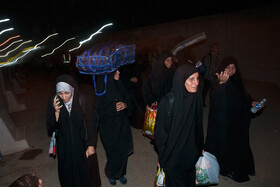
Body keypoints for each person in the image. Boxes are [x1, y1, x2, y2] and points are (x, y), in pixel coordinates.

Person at [204, 56, 258, 183]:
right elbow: (216, 100)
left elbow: (243, 96)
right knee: (226, 147)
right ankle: (226, 169)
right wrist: (222, 84)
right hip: (224, 123)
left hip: (237, 121)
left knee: (239, 145)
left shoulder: (237, 80)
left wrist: (252, 102)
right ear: (223, 68)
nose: (231, 70)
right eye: (228, 67)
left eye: (233, 67)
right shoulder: (218, 81)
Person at [154, 64, 204, 187]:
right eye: (191, 79)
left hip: (191, 154)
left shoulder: (196, 97)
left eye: (197, 78)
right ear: (181, 80)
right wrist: (162, 157)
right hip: (173, 157)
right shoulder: (167, 102)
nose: (196, 83)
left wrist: (201, 146)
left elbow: (198, 124)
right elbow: (160, 134)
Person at [46, 74, 101, 187]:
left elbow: (91, 124)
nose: (64, 97)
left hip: (82, 144)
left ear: (73, 90)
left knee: (86, 174)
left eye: (67, 93)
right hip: (65, 147)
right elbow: (51, 127)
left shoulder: (82, 100)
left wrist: (91, 145)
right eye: (60, 93)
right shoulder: (55, 102)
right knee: (69, 174)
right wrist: (56, 113)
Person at [95, 70, 134, 185]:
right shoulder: (101, 85)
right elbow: (97, 110)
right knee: (112, 151)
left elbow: (128, 97)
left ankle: (121, 173)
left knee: (122, 150)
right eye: (115, 70)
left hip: (122, 123)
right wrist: (113, 107)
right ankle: (111, 173)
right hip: (107, 126)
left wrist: (125, 105)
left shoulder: (118, 82)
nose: (119, 72)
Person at [120, 63, 146, 129]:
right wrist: (129, 80)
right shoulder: (122, 66)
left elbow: (139, 77)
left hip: (136, 90)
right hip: (127, 91)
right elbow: (121, 80)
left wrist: (137, 80)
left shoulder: (134, 65)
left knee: (139, 108)